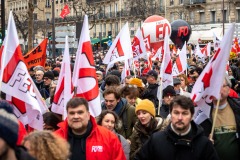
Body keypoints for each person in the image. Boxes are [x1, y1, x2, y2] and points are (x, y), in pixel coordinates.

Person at [135, 95, 219, 160]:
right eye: (176, 113)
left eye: (185, 113)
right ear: (170, 114)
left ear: (192, 116)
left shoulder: (204, 144)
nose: (180, 118)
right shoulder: (156, 140)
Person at [55, 97, 126, 160]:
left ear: (88, 115)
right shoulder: (54, 139)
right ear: (67, 115)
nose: (76, 116)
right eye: (72, 113)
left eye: (80, 112)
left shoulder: (109, 138)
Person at [201, 76, 240, 160]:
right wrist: (205, 143)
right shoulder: (203, 114)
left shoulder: (237, 108)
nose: (217, 90)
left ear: (229, 89)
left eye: (221, 86)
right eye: (214, 86)